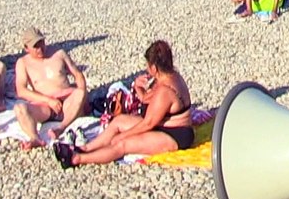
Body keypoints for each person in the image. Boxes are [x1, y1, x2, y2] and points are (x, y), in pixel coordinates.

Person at [53, 40, 194, 167]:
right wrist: (137, 87)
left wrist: (123, 135)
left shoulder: (165, 90)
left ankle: (77, 159)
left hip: (175, 136)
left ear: (154, 68)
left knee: (122, 144)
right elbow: (146, 99)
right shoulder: (168, 76)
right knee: (118, 122)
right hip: (161, 125)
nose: (147, 69)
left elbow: (148, 123)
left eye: (147, 66)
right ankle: (86, 148)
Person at [13, 28, 88, 149]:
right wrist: (48, 100)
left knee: (80, 93)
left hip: (66, 101)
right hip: (44, 106)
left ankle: (61, 128)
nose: (40, 49)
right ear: (26, 48)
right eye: (35, 46)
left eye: (41, 43)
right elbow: (21, 90)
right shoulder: (23, 63)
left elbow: (78, 75)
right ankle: (34, 138)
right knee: (19, 108)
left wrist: (84, 97)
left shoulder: (59, 54)